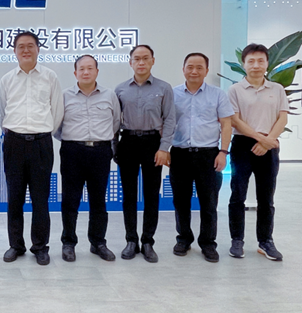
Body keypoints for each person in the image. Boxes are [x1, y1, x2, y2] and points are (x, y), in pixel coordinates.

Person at [0, 31, 63, 266]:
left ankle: (40, 247)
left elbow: (57, 110)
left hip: (41, 144)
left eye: (30, 46)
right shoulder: (7, 79)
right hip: (13, 143)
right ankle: (16, 245)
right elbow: (2, 111)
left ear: (38, 49)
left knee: (40, 199)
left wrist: (43, 133)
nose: (26, 50)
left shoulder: (50, 77)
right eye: (21, 46)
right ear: (14, 51)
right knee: (14, 198)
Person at [55, 55, 120, 263]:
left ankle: (98, 242)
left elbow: (116, 123)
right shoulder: (64, 96)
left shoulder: (109, 95)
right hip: (72, 152)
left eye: (90, 68)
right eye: (81, 69)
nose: (86, 72)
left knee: (98, 200)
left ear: (97, 71)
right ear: (75, 73)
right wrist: (74, 140)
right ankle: (68, 242)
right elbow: (56, 127)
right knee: (70, 200)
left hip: (100, 152)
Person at [227, 43, 289, 261]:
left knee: (266, 197)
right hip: (243, 145)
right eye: (251, 61)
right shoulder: (235, 90)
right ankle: (237, 240)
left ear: (267, 64)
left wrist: (268, 141)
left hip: (269, 145)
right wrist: (260, 138)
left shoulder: (277, 89)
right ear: (244, 64)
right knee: (238, 195)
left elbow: (283, 117)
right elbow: (235, 120)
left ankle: (265, 241)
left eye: (260, 61)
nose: (256, 65)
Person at [115, 44, 175, 263]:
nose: (141, 62)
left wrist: (164, 148)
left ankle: (148, 241)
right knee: (129, 194)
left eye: (145, 58)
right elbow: (114, 122)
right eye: (137, 59)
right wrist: (114, 147)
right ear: (130, 62)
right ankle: (131, 240)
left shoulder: (164, 88)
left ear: (152, 61)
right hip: (128, 141)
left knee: (151, 194)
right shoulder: (120, 90)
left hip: (153, 143)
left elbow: (170, 119)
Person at [170, 53, 233, 263]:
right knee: (181, 201)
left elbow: (226, 124)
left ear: (206, 70)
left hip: (209, 155)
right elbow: (166, 123)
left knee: (209, 202)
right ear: (183, 69)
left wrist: (223, 152)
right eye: (190, 67)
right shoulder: (173, 94)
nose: (194, 71)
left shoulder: (218, 94)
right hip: (180, 153)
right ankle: (183, 239)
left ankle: (208, 243)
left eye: (199, 67)